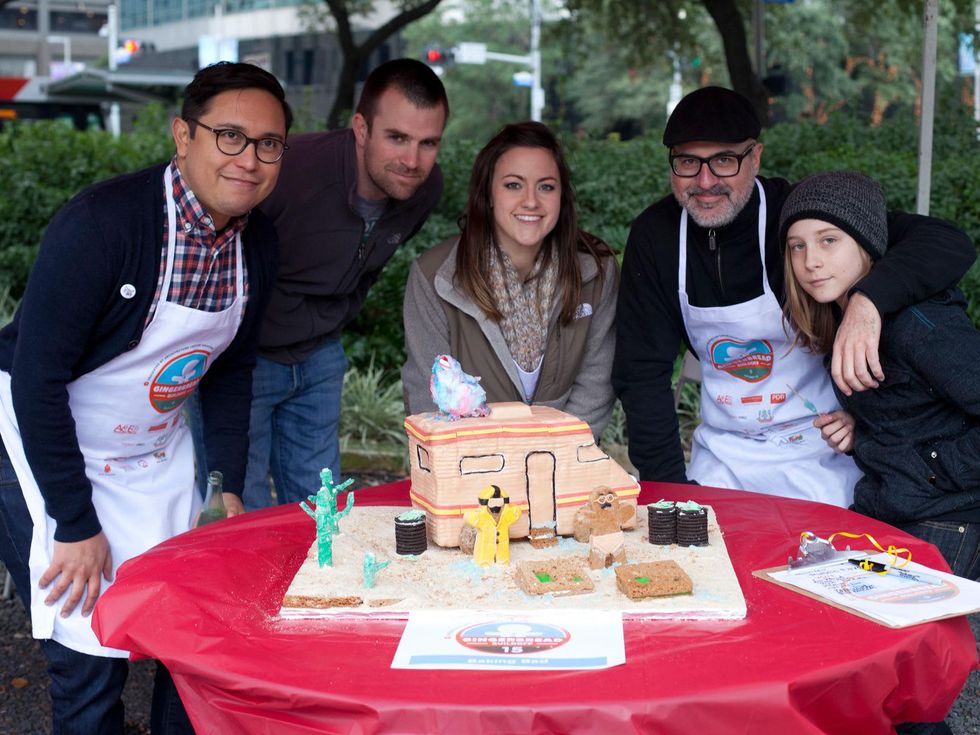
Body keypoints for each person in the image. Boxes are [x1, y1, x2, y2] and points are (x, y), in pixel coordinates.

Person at [0, 61, 291, 733]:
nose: (249, 159)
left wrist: (223, 483)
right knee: (88, 652)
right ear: (182, 136)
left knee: (189, 636)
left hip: (151, 449)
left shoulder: (259, 242)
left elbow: (230, 369)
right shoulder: (103, 225)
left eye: (268, 143)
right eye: (230, 136)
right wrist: (74, 524)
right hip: (39, 435)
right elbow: (39, 380)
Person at [613, 86, 976, 505]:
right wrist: (670, 491)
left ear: (756, 157)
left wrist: (867, 303)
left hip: (825, 452)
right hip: (723, 460)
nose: (705, 180)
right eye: (688, 162)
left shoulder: (799, 215)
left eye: (725, 160)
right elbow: (641, 372)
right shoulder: (655, 236)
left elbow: (946, 242)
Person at [241, 58, 448, 510]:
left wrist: (335, 315)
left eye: (427, 142)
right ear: (361, 128)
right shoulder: (287, 172)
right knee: (240, 506)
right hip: (245, 360)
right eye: (397, 137)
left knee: (321, 509)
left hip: (320, 355)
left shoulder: (424, 188)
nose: (412, 160)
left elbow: (371, 262)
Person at [780, 171, 980, 581]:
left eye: (828, 240)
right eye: (797, 246)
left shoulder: (917, 325)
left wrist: (931, 468)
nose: (810, 260)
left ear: (867, 243)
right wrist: (865, 429)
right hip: (889, 513)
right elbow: (918, 409)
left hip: (949, 522)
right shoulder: (840, 321)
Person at [401, 121, 618, 436]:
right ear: (488, 193)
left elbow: (595, 387)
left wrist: (553, 462)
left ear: (562, 197)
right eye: (513, 185)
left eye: (546, 186)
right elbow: (427, 398)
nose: (531, 201)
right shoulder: (434, 276)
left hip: (565, 463)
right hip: (470, 467)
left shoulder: (596, 272)